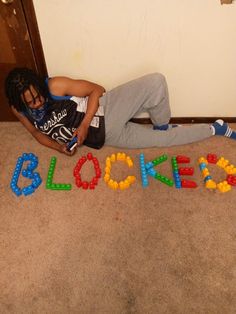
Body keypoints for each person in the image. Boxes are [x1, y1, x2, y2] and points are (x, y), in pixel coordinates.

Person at [5, 67, 236, 156]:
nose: (36, 103)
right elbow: (36, 134)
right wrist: (58, 147)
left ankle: (162, 122)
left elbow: (97, 90)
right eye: (31, 102)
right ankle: (216, 128)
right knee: (163, 141)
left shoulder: (55, 86)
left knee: (156, 81)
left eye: (38, 97)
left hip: (106, 111)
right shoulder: (20, 110)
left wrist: (84, 125)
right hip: (105, 138)